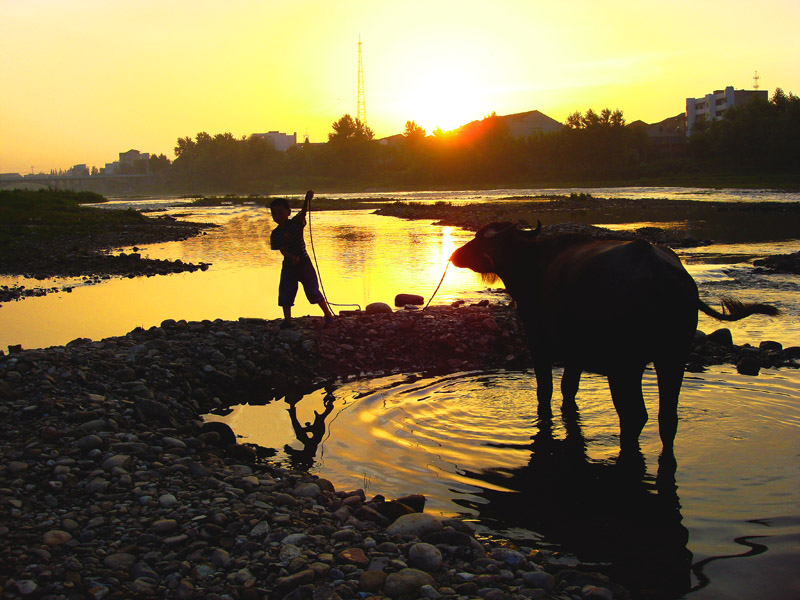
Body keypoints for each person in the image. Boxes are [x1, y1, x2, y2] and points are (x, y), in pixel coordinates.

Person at [270, 190, 334, 328]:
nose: (277, 216)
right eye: (274, 213)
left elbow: (303, 212)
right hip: (289, 265)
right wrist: (291, 257)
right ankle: (288, 321)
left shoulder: (295, 223)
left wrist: (307, 199)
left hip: (304, 263)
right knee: (286, 292)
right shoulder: (275, 233)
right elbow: (281, 249)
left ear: (288, 212)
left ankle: (328, 314)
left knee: (313, 291)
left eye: (281, 212)